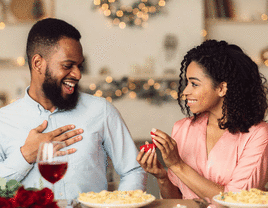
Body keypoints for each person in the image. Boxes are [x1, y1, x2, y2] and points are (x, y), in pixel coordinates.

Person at [0, 18, 146, 200]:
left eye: (79, 66)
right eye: (67, 66)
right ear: (38, 64)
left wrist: (120, 204)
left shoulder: (101, 110)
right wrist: (26, 155)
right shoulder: (3, 122)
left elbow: (133, 170)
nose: (77, 74)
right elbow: (1, 191)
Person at [137, 39, 268, 201]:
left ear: (221, 88)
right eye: (187, 83)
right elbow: (177, 200)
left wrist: (178, 165)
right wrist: (162, 177)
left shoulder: (258, 134)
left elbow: (236, 201)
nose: (185, 91)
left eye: (194, 84)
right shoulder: (182, 129)